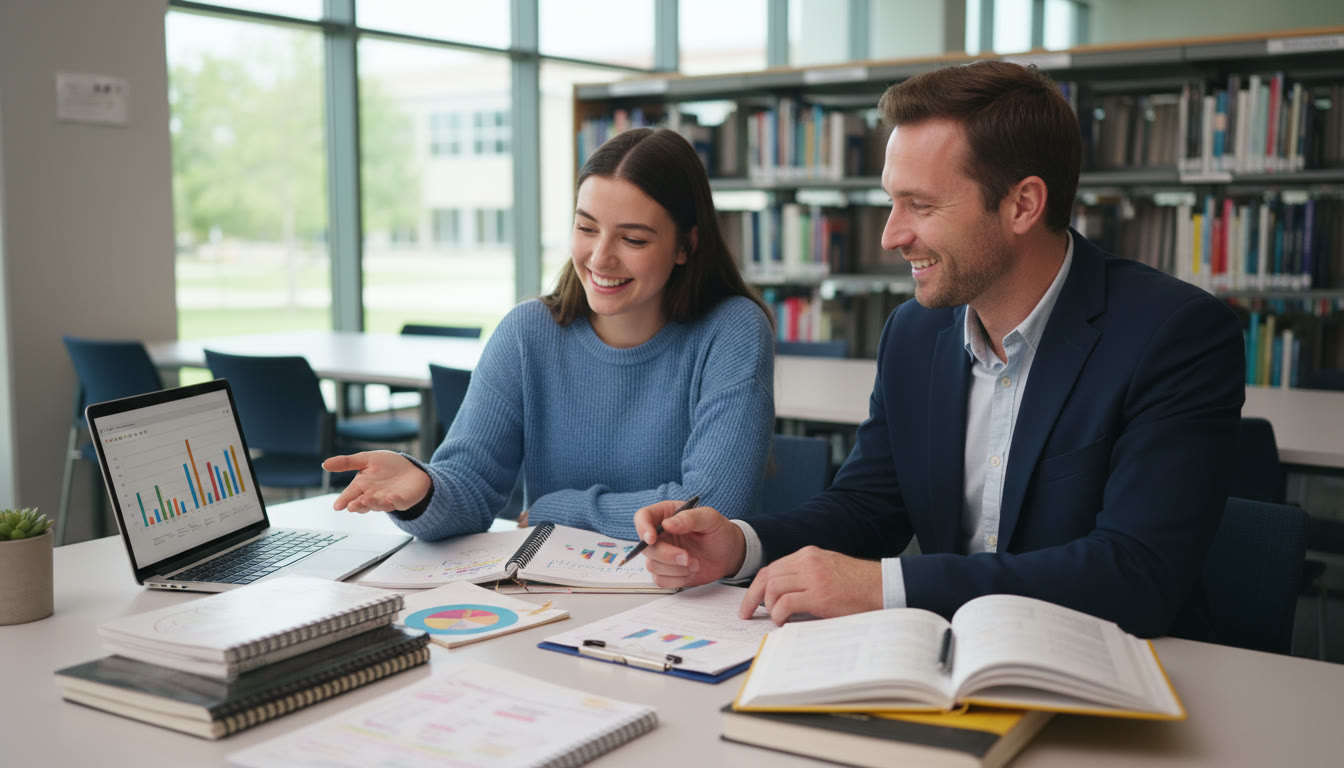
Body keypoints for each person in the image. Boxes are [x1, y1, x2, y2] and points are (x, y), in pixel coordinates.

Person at [635, 61, 1245, 640]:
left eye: (921, 206)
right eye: (892, 202)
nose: (891, 235)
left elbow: (1135, 572)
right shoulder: (914, 333)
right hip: (949, 661)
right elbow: (869, 506)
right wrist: (743, 544)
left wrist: (885, 585)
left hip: (1122, 672)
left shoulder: (1175, 335)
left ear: (1022, 205)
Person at [323, 127, 775, 542]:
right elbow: (469, 487)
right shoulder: (527, 333)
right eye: (585, 228)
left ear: (685, 246)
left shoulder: (732, 331)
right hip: (553, 593)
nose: (600, 258)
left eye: (632, 240)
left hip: (688, 601)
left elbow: (710, 508)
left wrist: (560, 510)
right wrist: (424, 488)